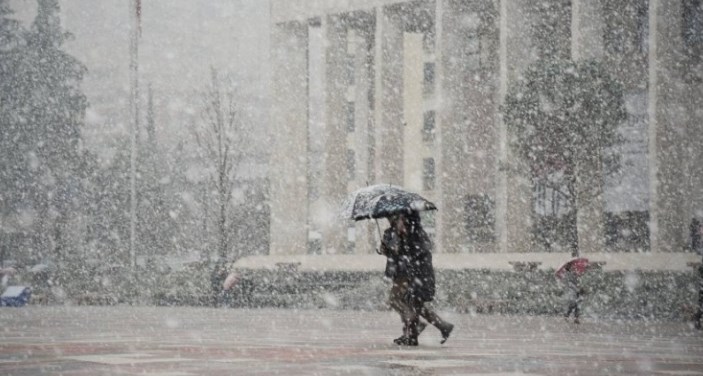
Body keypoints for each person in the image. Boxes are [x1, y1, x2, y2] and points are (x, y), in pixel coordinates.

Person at [380, 212, 454, 346]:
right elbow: (401, 255)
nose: (398, 223)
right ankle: (438, 327)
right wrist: (388, 249)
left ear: (406, 221)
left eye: (400, 220)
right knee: (414, 306)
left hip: (419, 276)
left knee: (410, 305)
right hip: (412, 275)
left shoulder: (415, 235)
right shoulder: (406, 235)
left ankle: (414, 334)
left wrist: (396, 250)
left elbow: (415, 257)